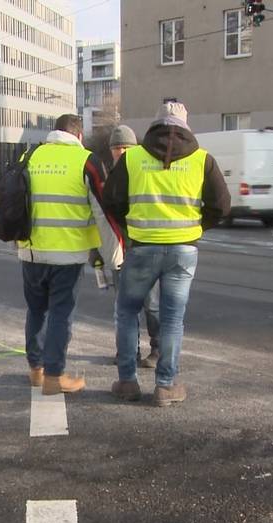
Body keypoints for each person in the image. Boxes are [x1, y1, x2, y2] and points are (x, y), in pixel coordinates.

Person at [103, 102, 231, 406]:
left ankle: (127, 382)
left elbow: (111, 199)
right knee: (173, 318)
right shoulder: (202, 160)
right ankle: (165, 386)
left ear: (154, 126)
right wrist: (197, 228)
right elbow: (222, 206)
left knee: (127, 312)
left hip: (142, 247)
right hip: (183, 250)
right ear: (186, 127)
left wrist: (130, 227)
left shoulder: (132, 158)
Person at [19, 114, 121, 395]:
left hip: (30, 253)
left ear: (55, 133)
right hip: (68, 256)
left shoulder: (30, 156)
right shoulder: (86, 161)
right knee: (60, 314)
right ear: (79, 136)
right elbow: (102, 212)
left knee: (36, 310)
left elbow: (14, 199)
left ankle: (36, 370)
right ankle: (54, 376)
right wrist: (114, 255)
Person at [109, 125, 161, 369]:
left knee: (151, 303)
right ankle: (127, 352)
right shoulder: (109, 175)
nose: (121, 151)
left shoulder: (144, 172)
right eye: (116, 147)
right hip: (120, 249)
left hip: (144, 247)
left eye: (125, 147)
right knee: (123, 305)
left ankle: (157, 348)